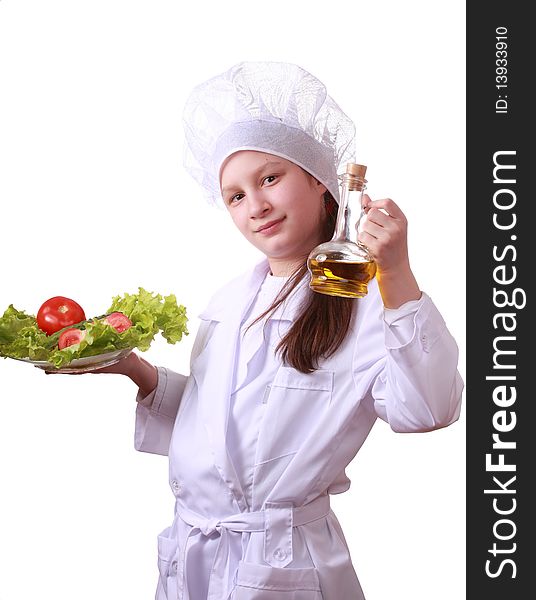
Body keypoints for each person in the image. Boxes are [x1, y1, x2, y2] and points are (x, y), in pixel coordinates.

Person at [65, 62, 464, 599]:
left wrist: (395, 270)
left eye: (270, 178)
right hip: (195, 553)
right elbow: (220, 423)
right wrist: (135, 370)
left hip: (282, 564)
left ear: (322, 182)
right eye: (235, 195)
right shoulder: (230, 301)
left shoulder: (370, 300)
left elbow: (430, 410)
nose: (255, 206)